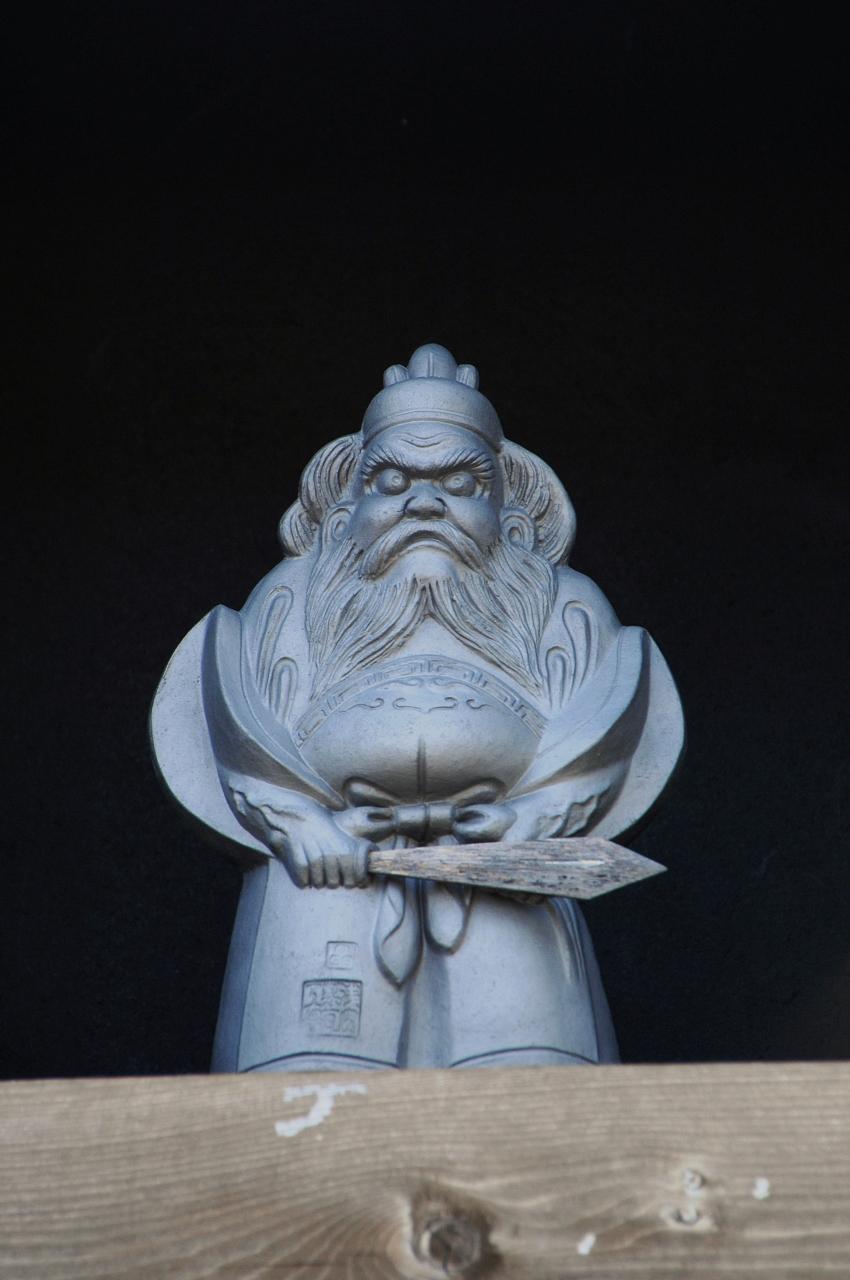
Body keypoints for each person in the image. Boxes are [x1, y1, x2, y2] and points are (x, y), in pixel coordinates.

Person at [151, 343, 683, 1071]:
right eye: (393, 481)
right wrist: (302, 825)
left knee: (529, 1082)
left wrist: (534, 817)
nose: (425, 505)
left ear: (509, 516)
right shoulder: (290, 601)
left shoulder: (564, 607)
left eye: (460, 483)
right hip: (329, 870)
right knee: (307, 1086)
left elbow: (606, 725)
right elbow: (241, 724)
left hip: (507, 869)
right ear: (345, 514)